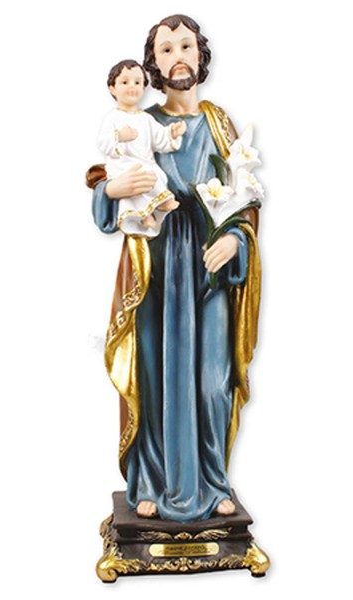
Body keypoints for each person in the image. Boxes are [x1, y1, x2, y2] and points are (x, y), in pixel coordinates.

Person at [88, 14, 261, 522]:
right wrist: (111, 190)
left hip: (207, 271)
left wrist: (234, 239)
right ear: (152, 65)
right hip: (156, 269)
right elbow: (103, 180)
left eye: (186, 46)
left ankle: (212, 479)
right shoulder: (139, 123)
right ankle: (152, 480)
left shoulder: (219, 124)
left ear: (201, 56)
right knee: (155, 378)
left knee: (212, 382)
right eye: (166, 50)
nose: (177, 57)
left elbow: (245, 198)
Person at [98, 59, 186, 237]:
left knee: (156, 175)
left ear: (144, 88)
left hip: (145, 162)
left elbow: (159, 138)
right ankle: (148, 213)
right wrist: (119, 136)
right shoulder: (112, 118)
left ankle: (152, 212)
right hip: (123, 165)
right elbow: (103, 142)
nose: (132, 86)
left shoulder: (145, 118)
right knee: (134, 188)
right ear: (112, 88)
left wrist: (172, 133)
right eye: (125, 82)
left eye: (137, 82)